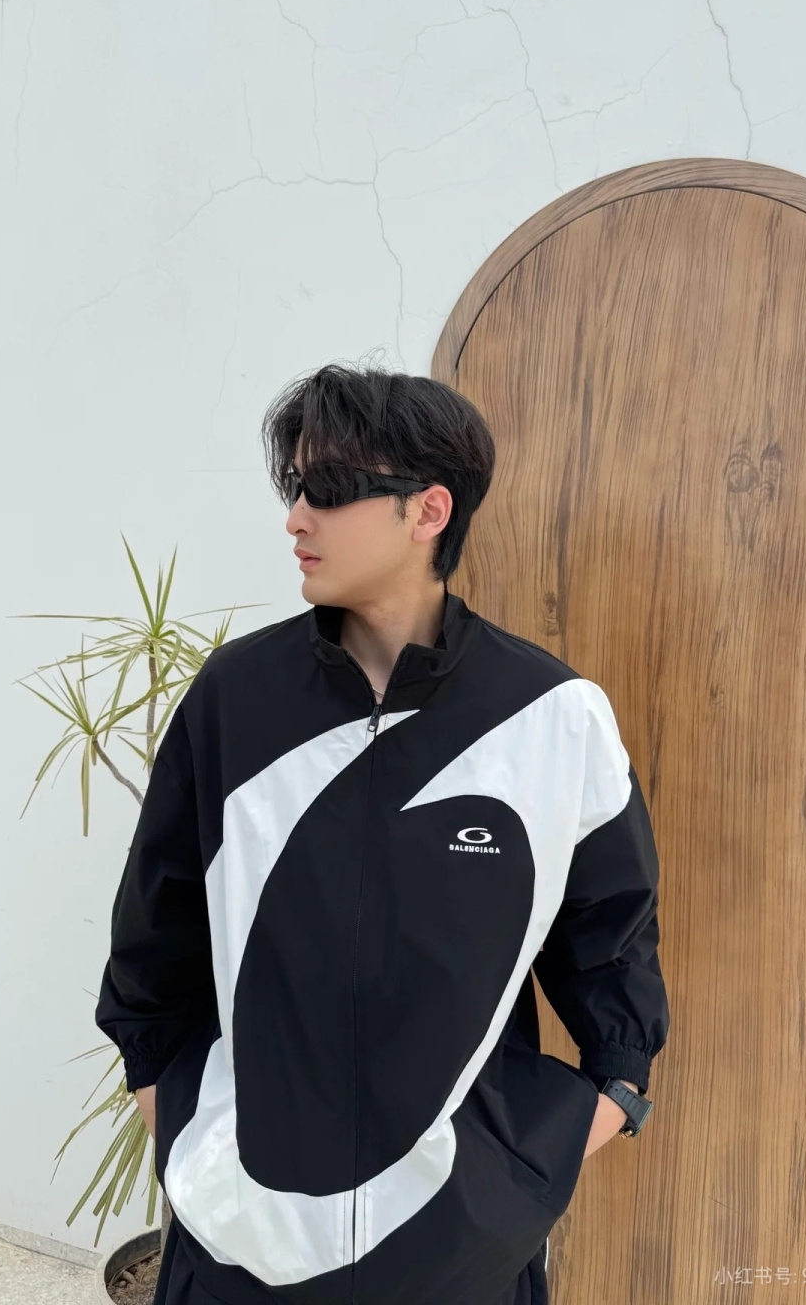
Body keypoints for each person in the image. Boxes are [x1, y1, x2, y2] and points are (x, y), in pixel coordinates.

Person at [95, 362, 669, 1305]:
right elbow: (157, 932)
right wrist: (185, 1123)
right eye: (293, 489)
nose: (296, 519)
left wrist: (589, 1115)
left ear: (428, 510)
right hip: (242, 1238)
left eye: (326, 489)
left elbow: (613, 945)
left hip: (460, 1248)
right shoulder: (236, 699)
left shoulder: (553, 717)